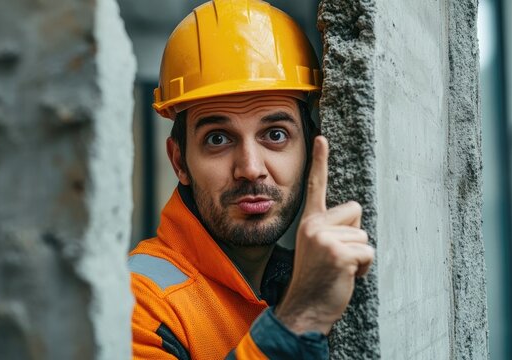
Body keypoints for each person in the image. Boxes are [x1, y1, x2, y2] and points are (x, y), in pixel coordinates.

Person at [129, 0, 375, 358]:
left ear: (310, 149)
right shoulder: (138, 303)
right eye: (218, 138)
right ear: (179, 161)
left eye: (275, 134)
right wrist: (301, 316)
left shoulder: (301, 276)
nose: (250, 167)